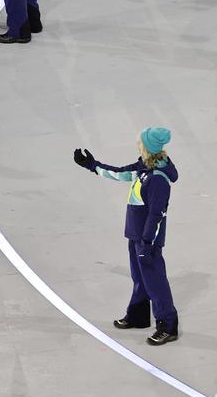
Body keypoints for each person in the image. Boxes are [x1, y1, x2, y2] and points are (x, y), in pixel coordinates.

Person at [73, 127, 179, 345]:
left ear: (148, 147)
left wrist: (148, 242)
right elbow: (120, 173)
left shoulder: (158, 178)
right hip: (136, 234)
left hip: (147, 238)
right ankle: (139, 315)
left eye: (140, 142)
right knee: (139, 278)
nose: (137, 144)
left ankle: (168, 325)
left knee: (155, 282)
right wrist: (92, 166)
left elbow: (157, 214)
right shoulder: (143, 168)